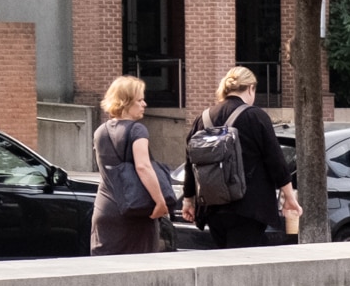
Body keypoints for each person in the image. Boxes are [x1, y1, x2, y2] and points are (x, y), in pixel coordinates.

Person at [186, 63, 299, 248]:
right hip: (249, 207)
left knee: (224, 263)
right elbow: (275, 160)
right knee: (242, 266)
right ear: (251, 88)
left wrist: (188, 199)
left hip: (212, 207)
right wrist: (289, 197)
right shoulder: (256, 116)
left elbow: (191, 161)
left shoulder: (203, 118)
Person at [91, 75, 169, 255]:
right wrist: (160, 202)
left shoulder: (100, 131)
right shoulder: (137, 129)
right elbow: (143, 167)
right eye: (140, 100)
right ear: (126, 102)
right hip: (134, 211)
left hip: (105, 210)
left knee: (105, 270)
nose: (144, 104)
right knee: (139, 271)